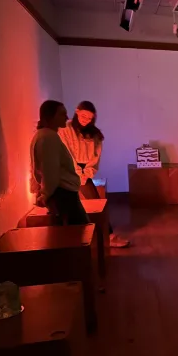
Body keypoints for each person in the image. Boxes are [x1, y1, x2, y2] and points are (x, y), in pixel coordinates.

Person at [59, 101, 129, 248]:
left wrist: (87, 173)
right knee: (72, 207)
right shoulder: (65, 129)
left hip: (86, 172)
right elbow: (66, 154)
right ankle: (83, 239)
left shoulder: (95, 134)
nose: (85, 120)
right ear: (77, 112)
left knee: (96, 204)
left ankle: (107, 236)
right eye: (83, 116)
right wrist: (77, 173)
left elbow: (95, 157)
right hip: (69, 172)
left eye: (89, 118)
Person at [30, 100, 89, 225]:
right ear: (50, 117)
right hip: (63, 195)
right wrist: (45, 195)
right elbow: (50, 171)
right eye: (62, 114)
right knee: (78, 234)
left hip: (61, 193)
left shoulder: (44, 135)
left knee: (76, 233)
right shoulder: (48, 137)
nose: (67, 117)